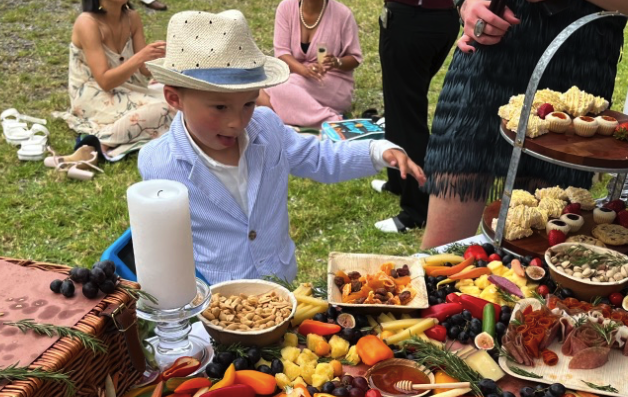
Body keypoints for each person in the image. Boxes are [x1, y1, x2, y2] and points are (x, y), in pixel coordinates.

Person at [138, 10, 425, 285]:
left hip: (278, 281)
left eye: (249, 103)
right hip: (217, 295)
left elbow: (319, 157)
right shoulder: (158, 163)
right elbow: (164, 245)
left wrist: (376, 151)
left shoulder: (267, 128)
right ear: (174, 99)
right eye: (220, 107)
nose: (236, 122)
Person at [419, 0, 628, 249]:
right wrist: (466, 5)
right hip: (488, 58)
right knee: (440, 251)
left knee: (540, 241)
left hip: (577, 68)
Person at [372, 0, 459, 234]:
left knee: (407, 113)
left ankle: (417, 211)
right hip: (437, 18)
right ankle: (399, 180)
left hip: (414, 18)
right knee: (398, 104)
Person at [53, 0, 175, 161]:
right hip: (96, 97)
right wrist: (141, 56)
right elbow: (105, 82)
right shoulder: (87, 23)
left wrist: (163, 58)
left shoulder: (132, 17)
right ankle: (100, 141)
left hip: (130, 88)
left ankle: (119, 139)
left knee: (183, 98)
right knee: (167, 109)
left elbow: (144, 70)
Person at [258, 0, 363, 128]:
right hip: (295, 77)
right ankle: (290, 125)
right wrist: (304, 70)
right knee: (259, 94)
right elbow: (282, 53)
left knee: (278, 87)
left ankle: (332, 122)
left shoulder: (343, 14)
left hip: (331, 80)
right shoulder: (286, 7)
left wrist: (337, 62)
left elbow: (354, 58)